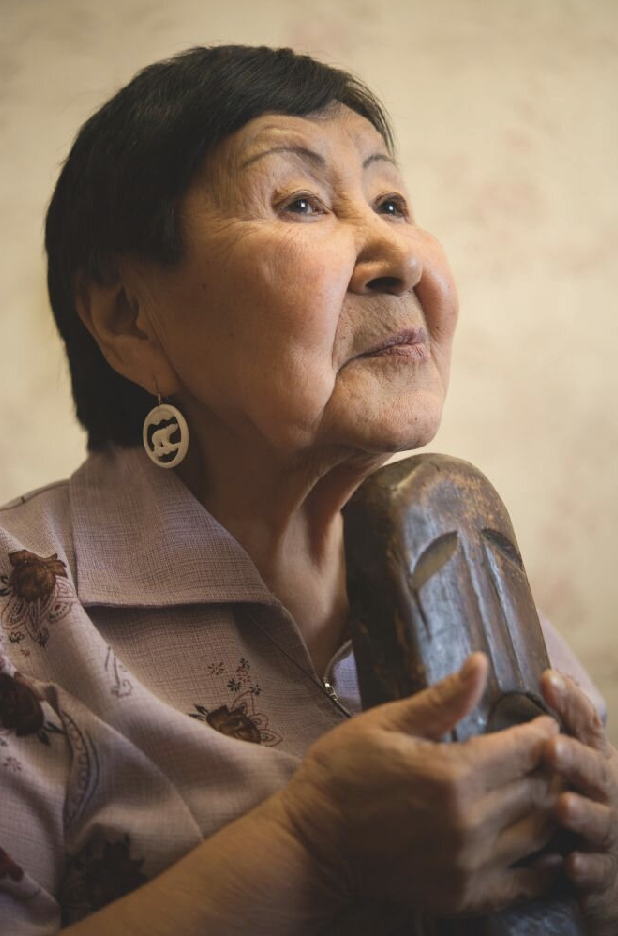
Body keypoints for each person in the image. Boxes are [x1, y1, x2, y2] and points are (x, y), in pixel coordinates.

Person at [0, 44, 616, 936]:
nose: (397, 253)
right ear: (127, 316)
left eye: (393, 201)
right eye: (300, 201)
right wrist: (315, 849)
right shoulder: (23, 614)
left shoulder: (486, 586)